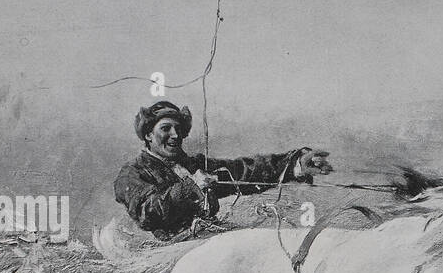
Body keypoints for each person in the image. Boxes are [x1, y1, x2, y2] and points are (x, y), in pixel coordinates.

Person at [114, 100, 332, 240]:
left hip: (210, 235)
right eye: (166, 128)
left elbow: (243, 171)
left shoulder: (194, 164)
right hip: (174, 248)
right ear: (148, 135)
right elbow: (147, 213)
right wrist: (190, 187)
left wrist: (294, 165)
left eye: (179, 129)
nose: (175, 135)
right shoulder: (132, 173)